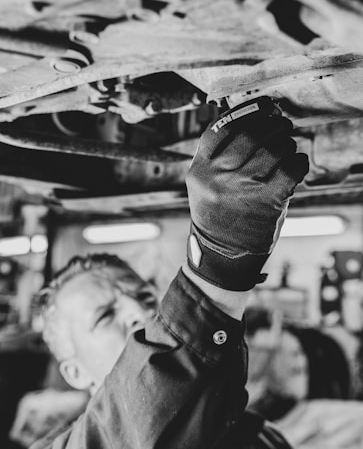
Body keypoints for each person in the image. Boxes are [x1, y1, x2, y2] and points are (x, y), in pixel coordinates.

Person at [29, 97, 309, 448]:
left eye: (145, 297)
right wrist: (221, 258)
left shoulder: (260, 436)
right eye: (104, 316)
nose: (138, 312)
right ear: (74, 372)